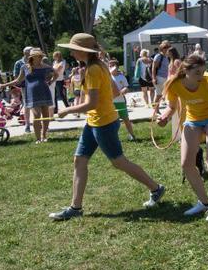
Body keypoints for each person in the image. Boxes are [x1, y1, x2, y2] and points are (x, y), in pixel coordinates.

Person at [49, 33, 165, 221]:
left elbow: (91, 104)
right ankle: (75, 207)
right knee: (79, 161)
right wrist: (103, 104)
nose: (70, 51)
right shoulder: (98, 66)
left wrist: (67, 110)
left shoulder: (94, 69)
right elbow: (115, 91)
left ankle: (156, 188)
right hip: (95, 121)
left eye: (72, 48)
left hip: (103, 123)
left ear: (82, 50)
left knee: (119, 162)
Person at [156, 52, 208, 224]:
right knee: (186, 164)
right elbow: (172, 106)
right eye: (197, 73)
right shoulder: (174, 84)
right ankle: (204, 202)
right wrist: (165, 117)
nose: (201, 76)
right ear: (185, 71)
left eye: (202, 72)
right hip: (193, 119)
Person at [1, 48, 54, 143]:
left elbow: (56, 74)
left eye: (40, 56)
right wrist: (4, 85)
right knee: (36, 115)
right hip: (32, 94)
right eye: (38, 56)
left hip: (44, 92)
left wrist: (50, 81)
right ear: (33, 57)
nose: (40, 57)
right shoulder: (25, 67)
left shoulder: (45, 66)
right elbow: (17, 80)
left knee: (46, 115)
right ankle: (38, 138)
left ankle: (44, 135)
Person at [109, 62, 137, 142]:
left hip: (120, 101)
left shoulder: (121, 77)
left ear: (117, 67)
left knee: (125, 119)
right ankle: (113, 137)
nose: (111, 67)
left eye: (113, 66)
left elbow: (127, 88)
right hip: (110, 102)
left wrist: (123, 90)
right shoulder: (107, 77)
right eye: (109, 66)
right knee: (112, 121)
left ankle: (132, 135)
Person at [13, 46, 32, 133]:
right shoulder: (19, 63)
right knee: (27, 105)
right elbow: (16, 77)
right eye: (31, 51)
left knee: (38, 105)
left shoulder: (35, 61)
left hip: (36, 86)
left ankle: (40, 124)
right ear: (26, 53)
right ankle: (27, 125)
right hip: (25, 87)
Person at [151, 41, 171, 107]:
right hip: (159, 78)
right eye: (165, 47)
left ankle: (157, 110)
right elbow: (153, 68)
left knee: (166, 94)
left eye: (168, 47)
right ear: (161, 48)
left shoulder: (168, 56)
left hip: (166, 78)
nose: (167, 48)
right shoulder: (158, 56)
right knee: (159, 95)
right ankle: (155, 110)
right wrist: (154, 78)